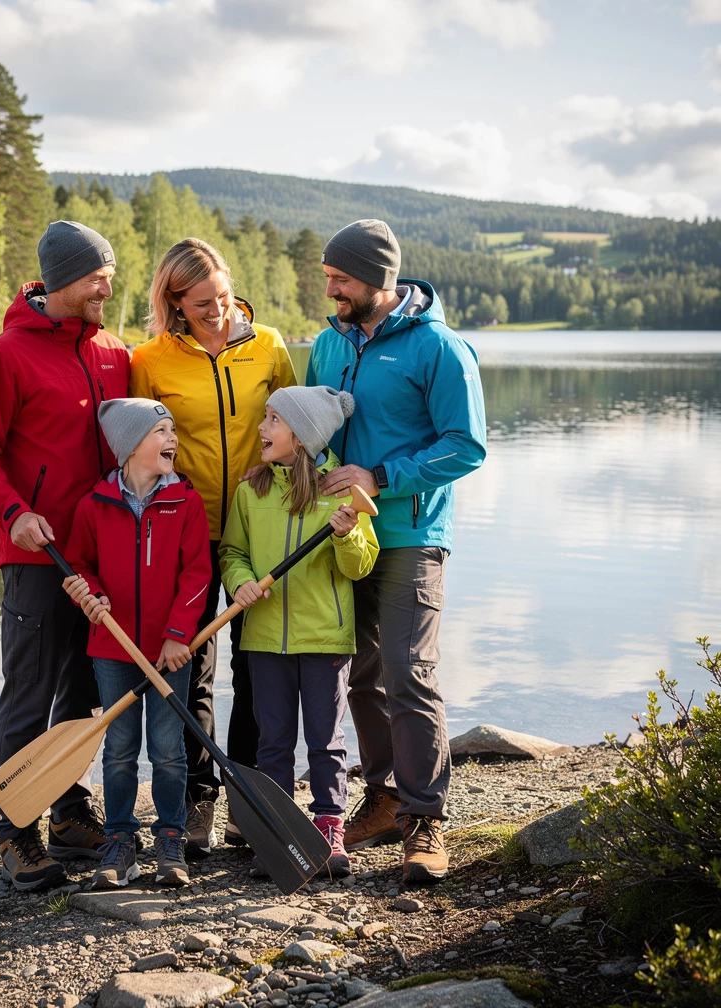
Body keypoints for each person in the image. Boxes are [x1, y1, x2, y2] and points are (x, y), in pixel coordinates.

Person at [306, 219, 486, 883]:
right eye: (328, 276)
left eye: (341, 278)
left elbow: (466, 445)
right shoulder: (329, 344)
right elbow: (314, 429)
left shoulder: (438, 349)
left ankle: (426, 817)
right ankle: (381, 798)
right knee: (362, 673)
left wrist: (380, 477)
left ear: (380, 280)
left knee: (411, 670)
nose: (330, 288)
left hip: (413, 534)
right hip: (348, 535)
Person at [0, 221, 130, 890]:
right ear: (59, 282)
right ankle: (15, 833)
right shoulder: (4, 356)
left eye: (110, 275)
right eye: (95, 277)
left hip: (99, 555)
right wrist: (12, 512)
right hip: (36, 557)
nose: (107, 287)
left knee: (85, 690)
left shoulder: (115, 352)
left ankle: (68, 811)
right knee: (30, 691)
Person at [130, 238, 297, 855]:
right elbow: (139, 450)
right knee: (190, 667)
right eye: (201, 304)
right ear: (174, 302)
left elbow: (294, 433)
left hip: (261, 528)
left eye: (224, 297)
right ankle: (197, 800)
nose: (218, 312)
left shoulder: (270, 346)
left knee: (257, 669)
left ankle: (248, 799)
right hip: (184, 533)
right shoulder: (149, 360)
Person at [220, 385, 379, 879]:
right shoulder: (252, 490)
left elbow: (360, 568)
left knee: (325, 740)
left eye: (273, 419)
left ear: (303, 435)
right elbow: (232, 553)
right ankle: (276, 829)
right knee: (273, 740)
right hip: (265, 637)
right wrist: (243, 584)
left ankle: (328, 825)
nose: (262, 428)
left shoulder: (342, 494)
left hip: (325, 639)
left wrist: (348, 533)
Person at [63, 398, 212, 888]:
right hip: (113, 648)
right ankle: (121, 840)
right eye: (161, 431)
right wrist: (89, 593)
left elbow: (197, 574)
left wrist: (177, 635)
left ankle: (170, 837)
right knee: (120, 748)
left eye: (173, 430)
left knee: (169, 749)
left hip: (170, 653)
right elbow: (79, 563)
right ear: (129, 445)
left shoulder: (185, 501)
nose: (172, 439)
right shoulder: (94, 504)